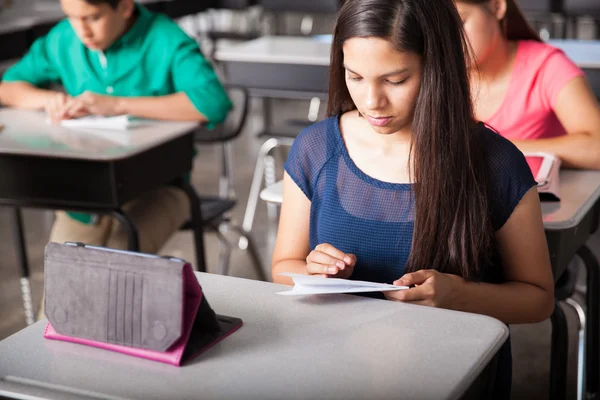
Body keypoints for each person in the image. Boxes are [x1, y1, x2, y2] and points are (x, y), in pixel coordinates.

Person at [271, 0, 554, 396]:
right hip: (336, 370)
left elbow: (538, 300)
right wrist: (313, 274)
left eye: (396, 79)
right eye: (354, 76)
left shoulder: (495, 163)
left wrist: (461, 295)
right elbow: (283, 266)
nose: (371, 101)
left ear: (436, 67)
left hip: (455, 377)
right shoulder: (315, 148)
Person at [0, 0, 231, 254]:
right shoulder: (63, 37)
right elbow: (8, 87)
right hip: (85, 194)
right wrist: (50, 100)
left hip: (162, 187)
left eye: (93, 18)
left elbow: (212, 102)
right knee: (65, 269)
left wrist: (119, 104)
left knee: (118, 263)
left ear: (124, 7)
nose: (82, 31)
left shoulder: (165, 38)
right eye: (72, 17)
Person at [456, 0, 600, 169]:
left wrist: (499, 149)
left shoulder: (548, 66)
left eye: (460, 23)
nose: (449, 39)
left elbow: (596, 146)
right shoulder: (439, 77)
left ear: (497, 6)